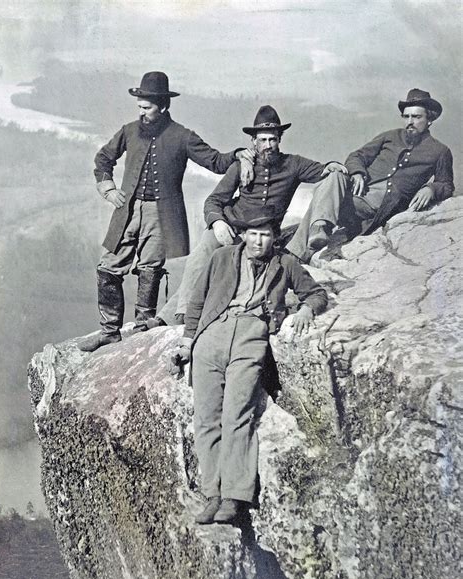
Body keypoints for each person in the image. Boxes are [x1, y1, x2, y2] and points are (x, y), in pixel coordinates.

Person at [169, 208, 327, 524]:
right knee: (206, 417)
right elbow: (196, 301)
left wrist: (307, 310)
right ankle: (212, 494)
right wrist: (188, 341)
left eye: (265, 234)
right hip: (211, 334)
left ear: (274, 237)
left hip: (252, 333)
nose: (258, 240)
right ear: (243, 235)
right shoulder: (221, 258)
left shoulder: (286, 263)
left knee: (238, 414)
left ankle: (234, 497)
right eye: (253, 234)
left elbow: (316, 294)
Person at [78, 71, 253, 352]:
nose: (142, 112)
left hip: (161, 216)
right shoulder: (129, 131)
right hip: (127, 210)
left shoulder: (182, 136)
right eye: (139, 107)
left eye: (147, 107)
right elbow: (103, 158)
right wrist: (108, 188)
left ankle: (142, 330)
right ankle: (109, 331)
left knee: (150, 269)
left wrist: (239, 154)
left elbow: (216, 161)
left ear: (163, 106)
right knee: (108, 267)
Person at [152, 104, 345, 326]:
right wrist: (217, 223)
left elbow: (324, 171)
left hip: (262, 234)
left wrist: (333, 167)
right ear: (253, 141)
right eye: (262, 140)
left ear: (279, 139)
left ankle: (163, 320)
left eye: (272, 139)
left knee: (222, 274)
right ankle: (179, 316)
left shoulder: (293, 164)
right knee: (201, 256)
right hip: (231, 227)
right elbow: (214, 200)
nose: (268, 145)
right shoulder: (241, 165)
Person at [286, 89, 455, 259]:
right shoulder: (390, 136)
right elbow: (356, 156)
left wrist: (431, 188)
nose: (410, 122)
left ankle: (298, 251)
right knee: (335, 174)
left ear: (429, 120)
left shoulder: (439, 151)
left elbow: (446, 184)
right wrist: (358, 173)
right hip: (353, 194)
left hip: (378, 208)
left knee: (321, 200)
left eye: (416, 117)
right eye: (406, 116)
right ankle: (319, 228)